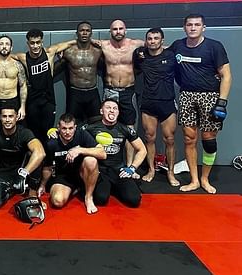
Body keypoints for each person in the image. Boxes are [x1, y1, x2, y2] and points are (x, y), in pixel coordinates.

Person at [169, 14, 231, 194]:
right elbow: (159, 49)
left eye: (197, 24)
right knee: (189, 138)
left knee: (209, 140)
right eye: (189, 24)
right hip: (187, 95)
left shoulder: (214, 47)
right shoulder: (178, 46)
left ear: (203, 27)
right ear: (184, 27)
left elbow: (226, 75)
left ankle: (205, 179)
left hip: (210, 96)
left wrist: (222, 102)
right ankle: (194, 180)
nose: (193, 27)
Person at [0, 29, 76, 143]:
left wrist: (91, 40)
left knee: (48, 131)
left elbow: (69, 43)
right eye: (32, 43)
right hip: (32, 100)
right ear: (28, 43)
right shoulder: (23, 57)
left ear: (42, 42)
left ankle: (47, 157)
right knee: (33, 132)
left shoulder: (50, 52)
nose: (35, 46)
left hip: (48, 99)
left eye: (38, 42)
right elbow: (5, 54)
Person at [133, 28, 179, 186]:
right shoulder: (141, 55)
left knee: (170, 139)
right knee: (149, 138)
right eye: (150, 38)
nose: (153, 41)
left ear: (162, 40)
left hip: (167, 103)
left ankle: (170, 173)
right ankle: (151, 170)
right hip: (148, 103)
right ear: (146, 41)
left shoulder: (171, 55)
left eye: (156, 38)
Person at [85, 99, 147, 208]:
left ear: (118, 112)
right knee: (101, 199)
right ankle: (107, 188)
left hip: (119, 170)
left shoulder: (125, 129)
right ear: (101, 111)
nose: (112, 111)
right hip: (100, 171)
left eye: (115, 109)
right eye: (108, 108)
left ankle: (116, 187)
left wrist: (132, 168)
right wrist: (55, 132)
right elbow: (71, 133)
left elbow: (142, 150)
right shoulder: (91, 128)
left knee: (134, 200)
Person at [39, 113, 105, 214]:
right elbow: (47, 167)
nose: (67, 132)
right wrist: (42, 185)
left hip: (82, 173)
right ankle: (76, 190)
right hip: (63, 176)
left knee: (91, 160)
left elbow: (103, 154)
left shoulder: (82, 135)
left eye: (70, 128)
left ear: (75, 127)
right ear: (58, 128)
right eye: (64, 128)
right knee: (57, 201)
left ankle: (88, 197)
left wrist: (79, 150)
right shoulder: (51, 143)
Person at [99, 19, 144, 164]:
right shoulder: (103, 45)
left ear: (125, 30)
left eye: (120, 28)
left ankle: (130, 165)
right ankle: (108, 164)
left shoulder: (135, 44)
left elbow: (159, 46)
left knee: (129, 129)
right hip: (110, 91)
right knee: (106, 125)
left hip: (128, 91)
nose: (118, 31)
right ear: (110, 31)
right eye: (114, 29)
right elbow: (81, 40)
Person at [0, 106, 45, 208]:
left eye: (11, 116)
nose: (7, 120)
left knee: (34, 156)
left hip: (23, 171)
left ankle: (32, 195)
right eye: (4, 116)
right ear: (0, 118)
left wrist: (23, 173)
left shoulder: (24, 133)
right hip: (4, 171)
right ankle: (12, 189)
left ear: (16, 117)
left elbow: (40, 153)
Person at [63, 21, 103, 124]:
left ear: (91, 33)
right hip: (75, 93)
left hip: (92, 92)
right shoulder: (68, 52)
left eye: (87, 31)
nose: (84, 33)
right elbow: (54, 68)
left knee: (97, 124)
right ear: (77, 33)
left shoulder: (98, 51)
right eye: (82, 30)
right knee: (71, 124)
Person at [0, 35, 28, 123]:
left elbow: (23, 86)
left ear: (11, 47)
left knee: (14, 129)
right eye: (1, 44)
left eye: (7, 44)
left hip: (12, 100)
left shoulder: (17, 65)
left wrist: (22, 106)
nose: (4, 46)